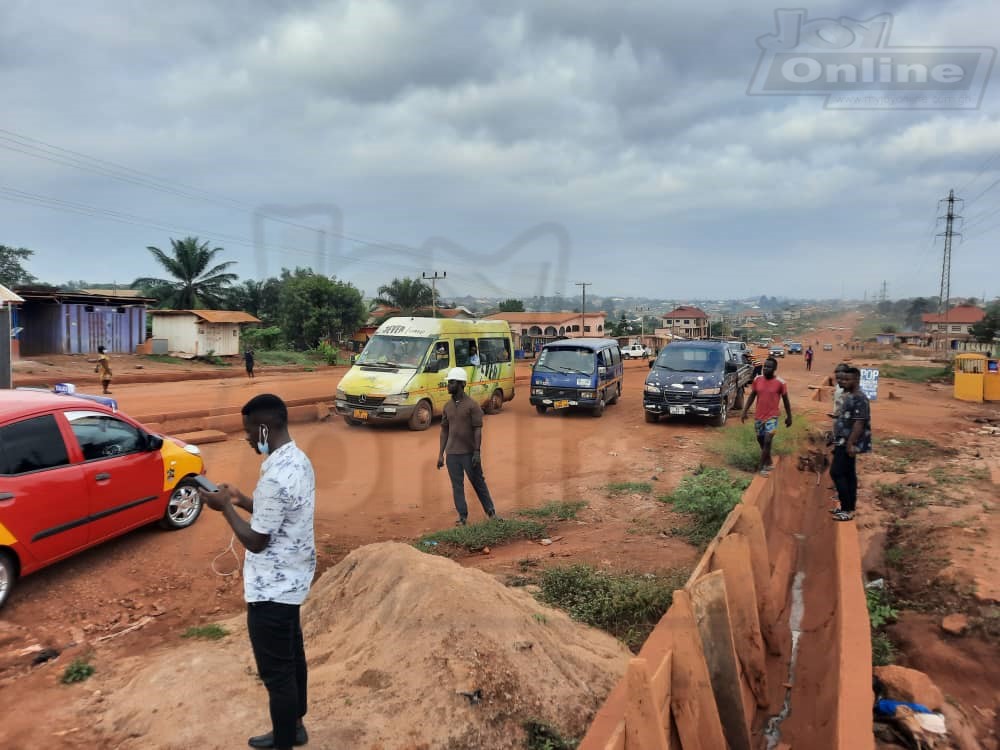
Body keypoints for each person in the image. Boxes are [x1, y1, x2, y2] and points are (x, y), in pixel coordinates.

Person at [199, 394, 316, 750]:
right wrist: (241, 499)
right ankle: (294, 727)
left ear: (264, 427)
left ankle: (285, 741)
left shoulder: (276, 476)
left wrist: (224, 509)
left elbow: (256, 540)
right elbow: (277, 514)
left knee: (277, 675)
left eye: (249, 431)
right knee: (292, 657)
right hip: (293, 580)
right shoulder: (297, 460)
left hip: (272, 590)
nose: (248, 437)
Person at [436, 367, 497, 526]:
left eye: (452, 382)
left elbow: (478, 429)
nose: (448, 385)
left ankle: (491, 512)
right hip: (452, 454)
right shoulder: (447, 406)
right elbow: (444, 430)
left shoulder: (472, 405)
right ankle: (462, 517)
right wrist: (440, 455)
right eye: (449, 382)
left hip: (469, 453)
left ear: (462, 384)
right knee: (457, 487)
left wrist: (477, 452)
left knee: (478, 483)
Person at [830, 367, 872, 522]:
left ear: (857, 380)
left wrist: (850, 443)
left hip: (847, 442)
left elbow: (859, 423)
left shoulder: (859, 398)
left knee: (837, 473)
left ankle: (847, 509)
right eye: (843, 379)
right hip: (842, 440)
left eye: (848, 379)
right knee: (848, 474)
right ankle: (847, 508)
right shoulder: (851, 395)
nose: (844, 382)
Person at [741, 356, 792, 476]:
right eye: (765, 366)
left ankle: (761, 467)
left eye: (769, 367)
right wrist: (744, 411)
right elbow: (752, 396)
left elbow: (786, 401)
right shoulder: (757, 379)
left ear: (775, 369)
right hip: (759, 417)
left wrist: (789, 417)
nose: (765, 369)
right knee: (760, 439)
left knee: (768, 440)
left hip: (772, 417)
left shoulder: (780, 383)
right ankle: (768, 460)